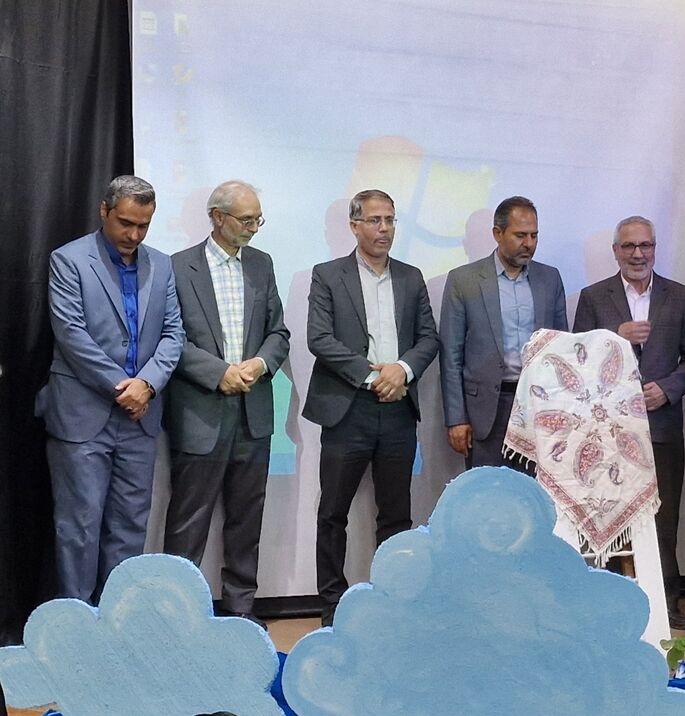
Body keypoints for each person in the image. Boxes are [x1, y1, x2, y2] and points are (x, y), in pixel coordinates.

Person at [36, 175, 184, 602]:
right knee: (79, 526)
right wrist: (125, 389)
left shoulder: (161, 265)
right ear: (104, 211)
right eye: (125, 223)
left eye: (143, 226)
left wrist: (148, 384)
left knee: (131, 525)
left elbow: (174, 333)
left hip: (140, 419)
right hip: (83, 415)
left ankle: (119, 620)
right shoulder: (69, 260)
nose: (133, 235)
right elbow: (71, 334)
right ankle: (79, 624)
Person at [303, 189, 439, 626]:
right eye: (375, 220)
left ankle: (394, 602)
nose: (385, 229)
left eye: (391, 220)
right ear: (354, 225)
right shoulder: (328, 275)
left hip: (398, 409)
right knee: (332, 513)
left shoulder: (411, 277)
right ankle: (332, 606)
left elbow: (429, 338)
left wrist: (402, 370)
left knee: (397, 515)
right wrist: (373, 376)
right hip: (348, 409)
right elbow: (319, 338)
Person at [163, 180, 290, 628]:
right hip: (201, 410)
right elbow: (170, 340)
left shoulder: (261, 264)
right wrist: (218, 372)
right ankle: (175, 613)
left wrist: (260, 363)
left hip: (253, 413)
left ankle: (240, 610)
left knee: (246, 519)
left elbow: (279, 333)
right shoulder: (177, 267)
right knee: (189, 520)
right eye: (247, 220)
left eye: (258, 219)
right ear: (217, 217)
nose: (254, 228)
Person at [573, 215, 685, 630]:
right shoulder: (594, 297)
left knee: (664, 518)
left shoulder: (679, 296)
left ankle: (667, 603)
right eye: (629, 246)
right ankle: (613, 605)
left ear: (655, 248)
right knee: (611, 519)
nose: (638, 254)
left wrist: (668, 388)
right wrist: (616, 335)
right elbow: (578, 357)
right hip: (608, 431)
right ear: (615, 251)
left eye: (645, 245)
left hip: (661, 426)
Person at [439, 196, 568, 468]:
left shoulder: (550, 278)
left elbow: (561, 349)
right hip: (486, 411)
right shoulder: (464, 280)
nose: (529, 243)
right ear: (498, 234)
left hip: (539, 408)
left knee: (533, 491)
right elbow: (451, 356)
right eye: (520, 235)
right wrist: (456, 418)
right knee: (488, 490)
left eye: (534, 235)